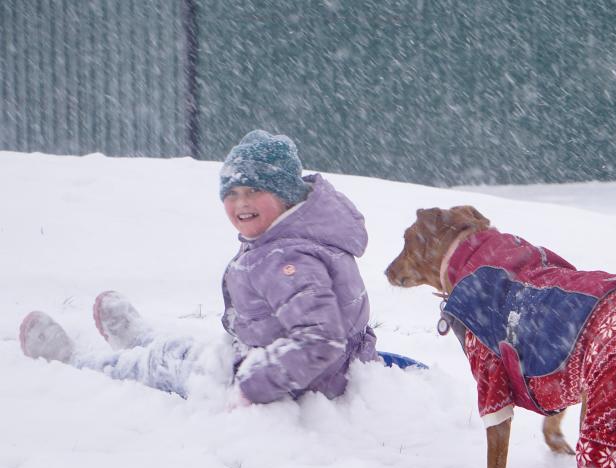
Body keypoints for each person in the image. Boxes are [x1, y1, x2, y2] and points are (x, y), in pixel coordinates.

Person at [18, 129, 411, 403]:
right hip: (303, 367)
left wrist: (252, 386)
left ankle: (82, 362)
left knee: (163, 368)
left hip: (291, 384)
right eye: (233, 193)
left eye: (256, 191)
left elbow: (319, 339)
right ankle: (142, 338)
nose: (242, 203)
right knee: (190, 352)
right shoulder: (298, 238)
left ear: (287, 196)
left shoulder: (288, 259)